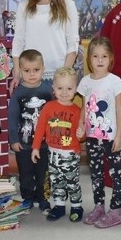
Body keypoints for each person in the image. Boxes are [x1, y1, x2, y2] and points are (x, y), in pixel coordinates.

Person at [76, 37, 121, 229]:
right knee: (96, 174)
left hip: (111, 138)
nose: (99, 60)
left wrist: (119, 135)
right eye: (95, 56)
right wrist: (81, 126)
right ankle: (99, 206)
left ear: (110, 59)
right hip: (93, 137)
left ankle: (116, 210)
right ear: (89, 59)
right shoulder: (86, 82)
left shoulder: (115, 81)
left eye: (104, 56)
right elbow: (84, 108)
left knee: (115, 174)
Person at [10, 0, 80, 90]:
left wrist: (63, 76)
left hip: (58, 77)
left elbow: (73, 43)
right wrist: (17, 74)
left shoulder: (68, 5)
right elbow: (18, 41)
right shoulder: (24, 6)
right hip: (31, 77)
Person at [31, 67, 84, 222]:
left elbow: (82, 131)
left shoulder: (77, 110)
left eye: (69, 88)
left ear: (76, 90)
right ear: (53, 88)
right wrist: (35, 147)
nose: (65, 92)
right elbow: (40, 128)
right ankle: (59, 206)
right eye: (60, 88)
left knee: (72, 182)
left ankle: (76, 206)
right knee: (56, 182)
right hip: (53, 154)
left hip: (71, 155)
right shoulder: (48, 107)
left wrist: (82, 134)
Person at [8, 49, 54, 213]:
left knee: (43, 172)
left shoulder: (48, 91)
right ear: (20, 71)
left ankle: (43, 198)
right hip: (24, 143)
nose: (32, 74)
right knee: (25, 173)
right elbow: (12, 117)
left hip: (44, 143)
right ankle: (27, 198)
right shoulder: (18, 93)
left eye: (36, 70)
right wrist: (13, 139)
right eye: (27, 71)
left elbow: (55, 115)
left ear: (43, 69)